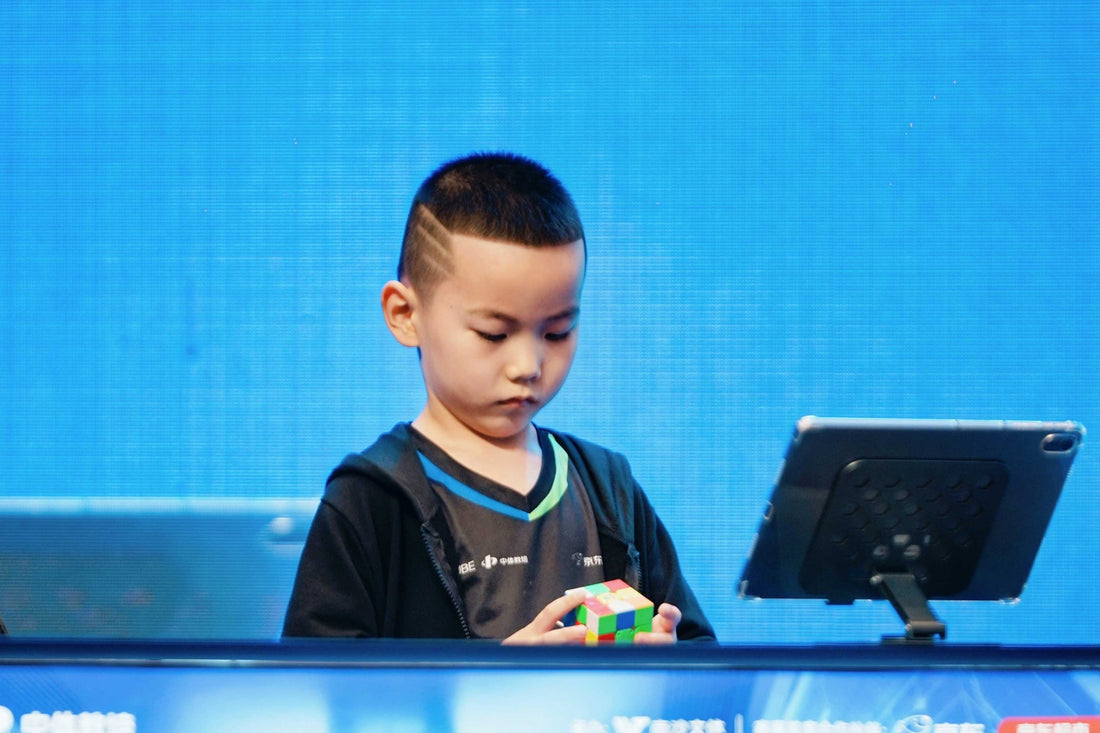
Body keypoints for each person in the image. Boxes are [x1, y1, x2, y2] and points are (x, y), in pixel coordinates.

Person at [282, 152, 715, 644]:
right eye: (493, 334)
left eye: (557, 332)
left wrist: (673, 669)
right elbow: (319, 697)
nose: (527, 366)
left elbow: (706, 669)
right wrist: (494, 687)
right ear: (404, 313)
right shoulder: (373, 501)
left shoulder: (607, 490)